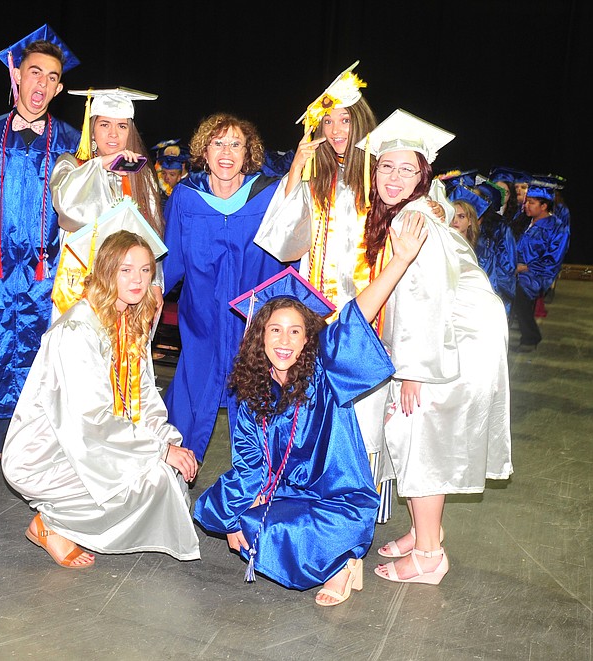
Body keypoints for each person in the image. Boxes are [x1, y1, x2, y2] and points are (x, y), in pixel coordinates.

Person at [195, 212, 427, 606]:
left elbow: (357, 316)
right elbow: (251, 465)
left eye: (295, 331)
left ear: (308, 338)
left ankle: (342, 564)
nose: (284, 340)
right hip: (286, 493)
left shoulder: (326, 372)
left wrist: (399, 261)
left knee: (294, 531)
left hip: (339, 500)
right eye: (274, 330)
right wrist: (239, 513)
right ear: (259, 336)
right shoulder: (253, 394)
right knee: (248, 524)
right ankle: (340, 560)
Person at [355, 110, 512, 585]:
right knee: (422, 436)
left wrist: (413, 371)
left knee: (417, 434)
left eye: (407, 169)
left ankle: (428, 556)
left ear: (422, 175)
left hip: (452, 340)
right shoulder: (418, 209)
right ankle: (426, 530)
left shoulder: (413, 219)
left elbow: (425, 296)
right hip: (461, 332)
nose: (395, 177)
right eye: (387, 167)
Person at [254, 62, 402, 523]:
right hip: (318, 314)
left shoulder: (382, 178)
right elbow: (281, 240)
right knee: (318, 408)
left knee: (363, 409)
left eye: (345, 119)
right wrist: (298, 165)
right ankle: (319, 498)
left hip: (368, 314)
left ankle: (361, 510)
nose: (337, 130)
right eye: (328, 121)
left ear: (361, 121)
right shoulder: (317, 183)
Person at [3, 229, 200, 568]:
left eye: (145, 270)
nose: (138, 280)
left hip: (95, 439)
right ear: (107, 271)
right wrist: (158, 450)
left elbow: (143, 397)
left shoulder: (127, 322)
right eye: (126, 270)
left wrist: (167, 440)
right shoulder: (78, 331)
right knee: (152, 476)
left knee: (169, 475)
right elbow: (89, 420)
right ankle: (50, 525)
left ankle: (62, 520)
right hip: (47, 452)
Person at [0, 25, 81, 483]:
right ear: (16, 75)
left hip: (51, 271)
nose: (41, 84)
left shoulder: (72, 141)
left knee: (45, 358)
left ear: (60, 87)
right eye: (34, 73)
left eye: (51, 77)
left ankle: (40, 445)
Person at [161, 112, 286, 462]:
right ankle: (173, 467)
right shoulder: (186, 196)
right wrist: (149, 297)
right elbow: (171, 258)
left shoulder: (267, 194)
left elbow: (287, 250)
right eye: (218, 143)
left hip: (252, 318)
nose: (226, 151)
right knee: (191, 387)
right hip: (201, 317)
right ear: (204, 149)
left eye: (236, 144)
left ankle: (259, 476)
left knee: (255, 392)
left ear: (249, 152)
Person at [50, 87, 163, 317]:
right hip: (81, 280)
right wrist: (100, 165)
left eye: (122, 126)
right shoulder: (72, 165)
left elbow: (151, 233)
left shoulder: (142, 174)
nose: (113, 134)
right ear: (91, 130)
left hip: (130, 283)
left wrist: (155, 281)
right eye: (104, 125)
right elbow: (66, 209)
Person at [511, 179, 567, 352]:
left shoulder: (556, 227)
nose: (526, 206)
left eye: (531, 203)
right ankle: (530, 337)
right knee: (518, 306)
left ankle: (530, 339)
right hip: (518, 272)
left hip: (534, 276)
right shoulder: (528, 222)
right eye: (527, 201)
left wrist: (524, 268)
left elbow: (553, 259)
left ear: (544, 206)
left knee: (522, 305)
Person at [472, 178, 517, 315]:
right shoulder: (459, 226)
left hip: (491, 294)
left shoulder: (500, 229)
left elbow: (507, 266)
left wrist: (496, 293)